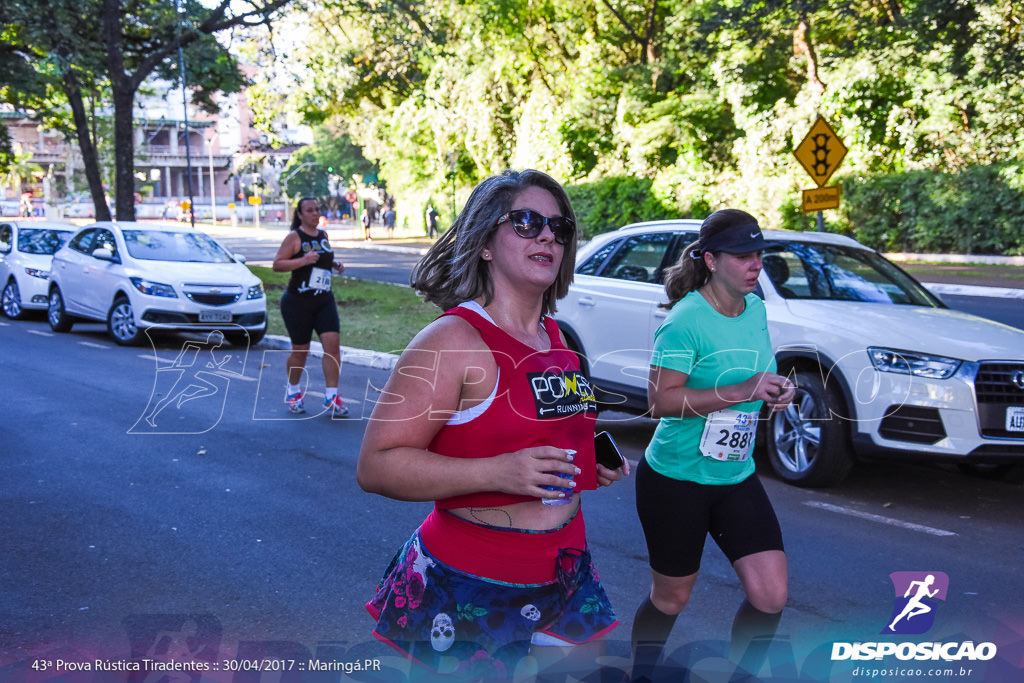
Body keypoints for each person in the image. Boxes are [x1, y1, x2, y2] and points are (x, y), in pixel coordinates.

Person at [357, 169, 628, 678]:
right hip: (471, 583)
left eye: (559, 227)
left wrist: (591, 455)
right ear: (484, 241)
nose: (548, 235)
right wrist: (499, 472)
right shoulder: (449, 341)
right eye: (526, 222)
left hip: (566, 572)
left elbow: (532, 432)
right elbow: (377, 465)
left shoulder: (557, 338)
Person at [630, 209, 795, 682]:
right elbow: (660, 401)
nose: (755, 265)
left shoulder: (757, 308)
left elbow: (756, 376)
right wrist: (746, 389)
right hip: (676, 480)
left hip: (735, 476)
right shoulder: (685, 321)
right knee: (672, 597)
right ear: (710, 260)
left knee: (771, 595)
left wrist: (777, 391)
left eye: (759, 255)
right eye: (743, 256)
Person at [272, 197, 349, 417]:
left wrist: (334, 264)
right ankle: (293, 391)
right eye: (309, 210)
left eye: (317, 210)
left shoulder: (323, 236)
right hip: (298, 303)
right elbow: (277, 264)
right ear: (300, 214)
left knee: (333, 347)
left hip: (323, 300)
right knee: (300, 352)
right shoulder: (294, 237)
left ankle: (332, 396)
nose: (315, 214)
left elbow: (322, 260)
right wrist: (302, 261)